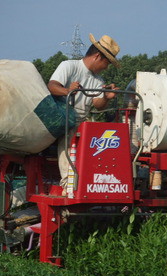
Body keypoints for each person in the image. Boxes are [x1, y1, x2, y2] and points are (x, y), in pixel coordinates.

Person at [47, 33, 120, 195]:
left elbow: (98, 105)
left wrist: (107, 97)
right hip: (62, 117)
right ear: (97, 56)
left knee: (100, 140)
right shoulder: (69, 66)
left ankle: (91, 181)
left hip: (82, 122)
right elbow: (52, 86)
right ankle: (68, 184)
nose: (106, 67)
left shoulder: (99, 81)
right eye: (106, 63)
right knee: (71, 134)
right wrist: (68, 91)